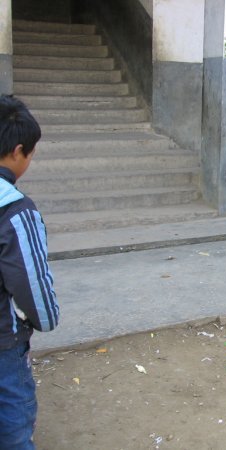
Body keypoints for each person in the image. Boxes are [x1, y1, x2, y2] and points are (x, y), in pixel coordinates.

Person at [0, 94, 59, 449]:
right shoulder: (15, 210)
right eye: (31, 154)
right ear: (17, 151)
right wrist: (46, 319)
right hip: (3, 341)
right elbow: (29, 280)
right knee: (13, 428)